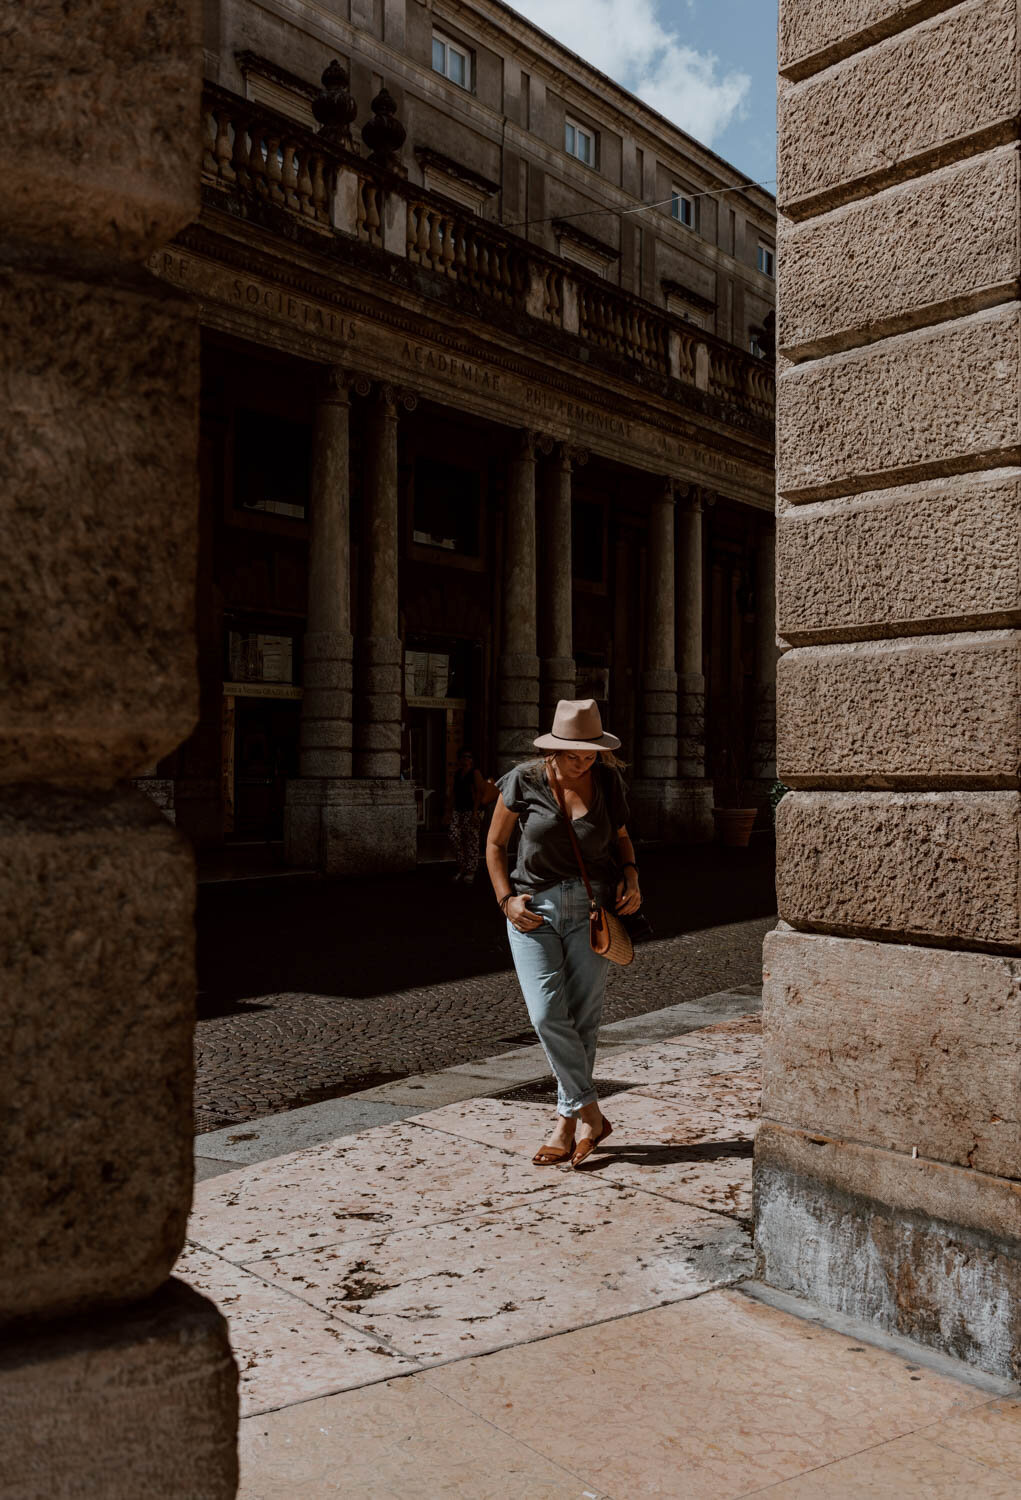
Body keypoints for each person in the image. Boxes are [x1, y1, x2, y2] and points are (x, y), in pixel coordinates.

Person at [486, 699, 642, 1168]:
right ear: (554, 748)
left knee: (584, 1018)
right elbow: (495, 846)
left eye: (592, 752)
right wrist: (505, 900)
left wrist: (632, 876)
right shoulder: (524, 780)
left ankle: (567, 1123)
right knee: (546, 1014)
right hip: (533, 909)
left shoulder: (607, 780)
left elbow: (621, 838)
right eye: (575, 753)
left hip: (592, 910)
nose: (585, 760)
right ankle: (593, 1113)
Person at [445, 747, 486, 883]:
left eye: (469, 757)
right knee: (454, 836)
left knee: (471, 841)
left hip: (471, 810)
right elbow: (453, 793)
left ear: (473, 760)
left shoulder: (475, 773)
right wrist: (448, 811)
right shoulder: (458, 774)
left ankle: (470, 870)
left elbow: (479, 793)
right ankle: (462, 866)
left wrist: (475, 812)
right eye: (463, 757)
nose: (466, 759)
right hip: (458, 810)